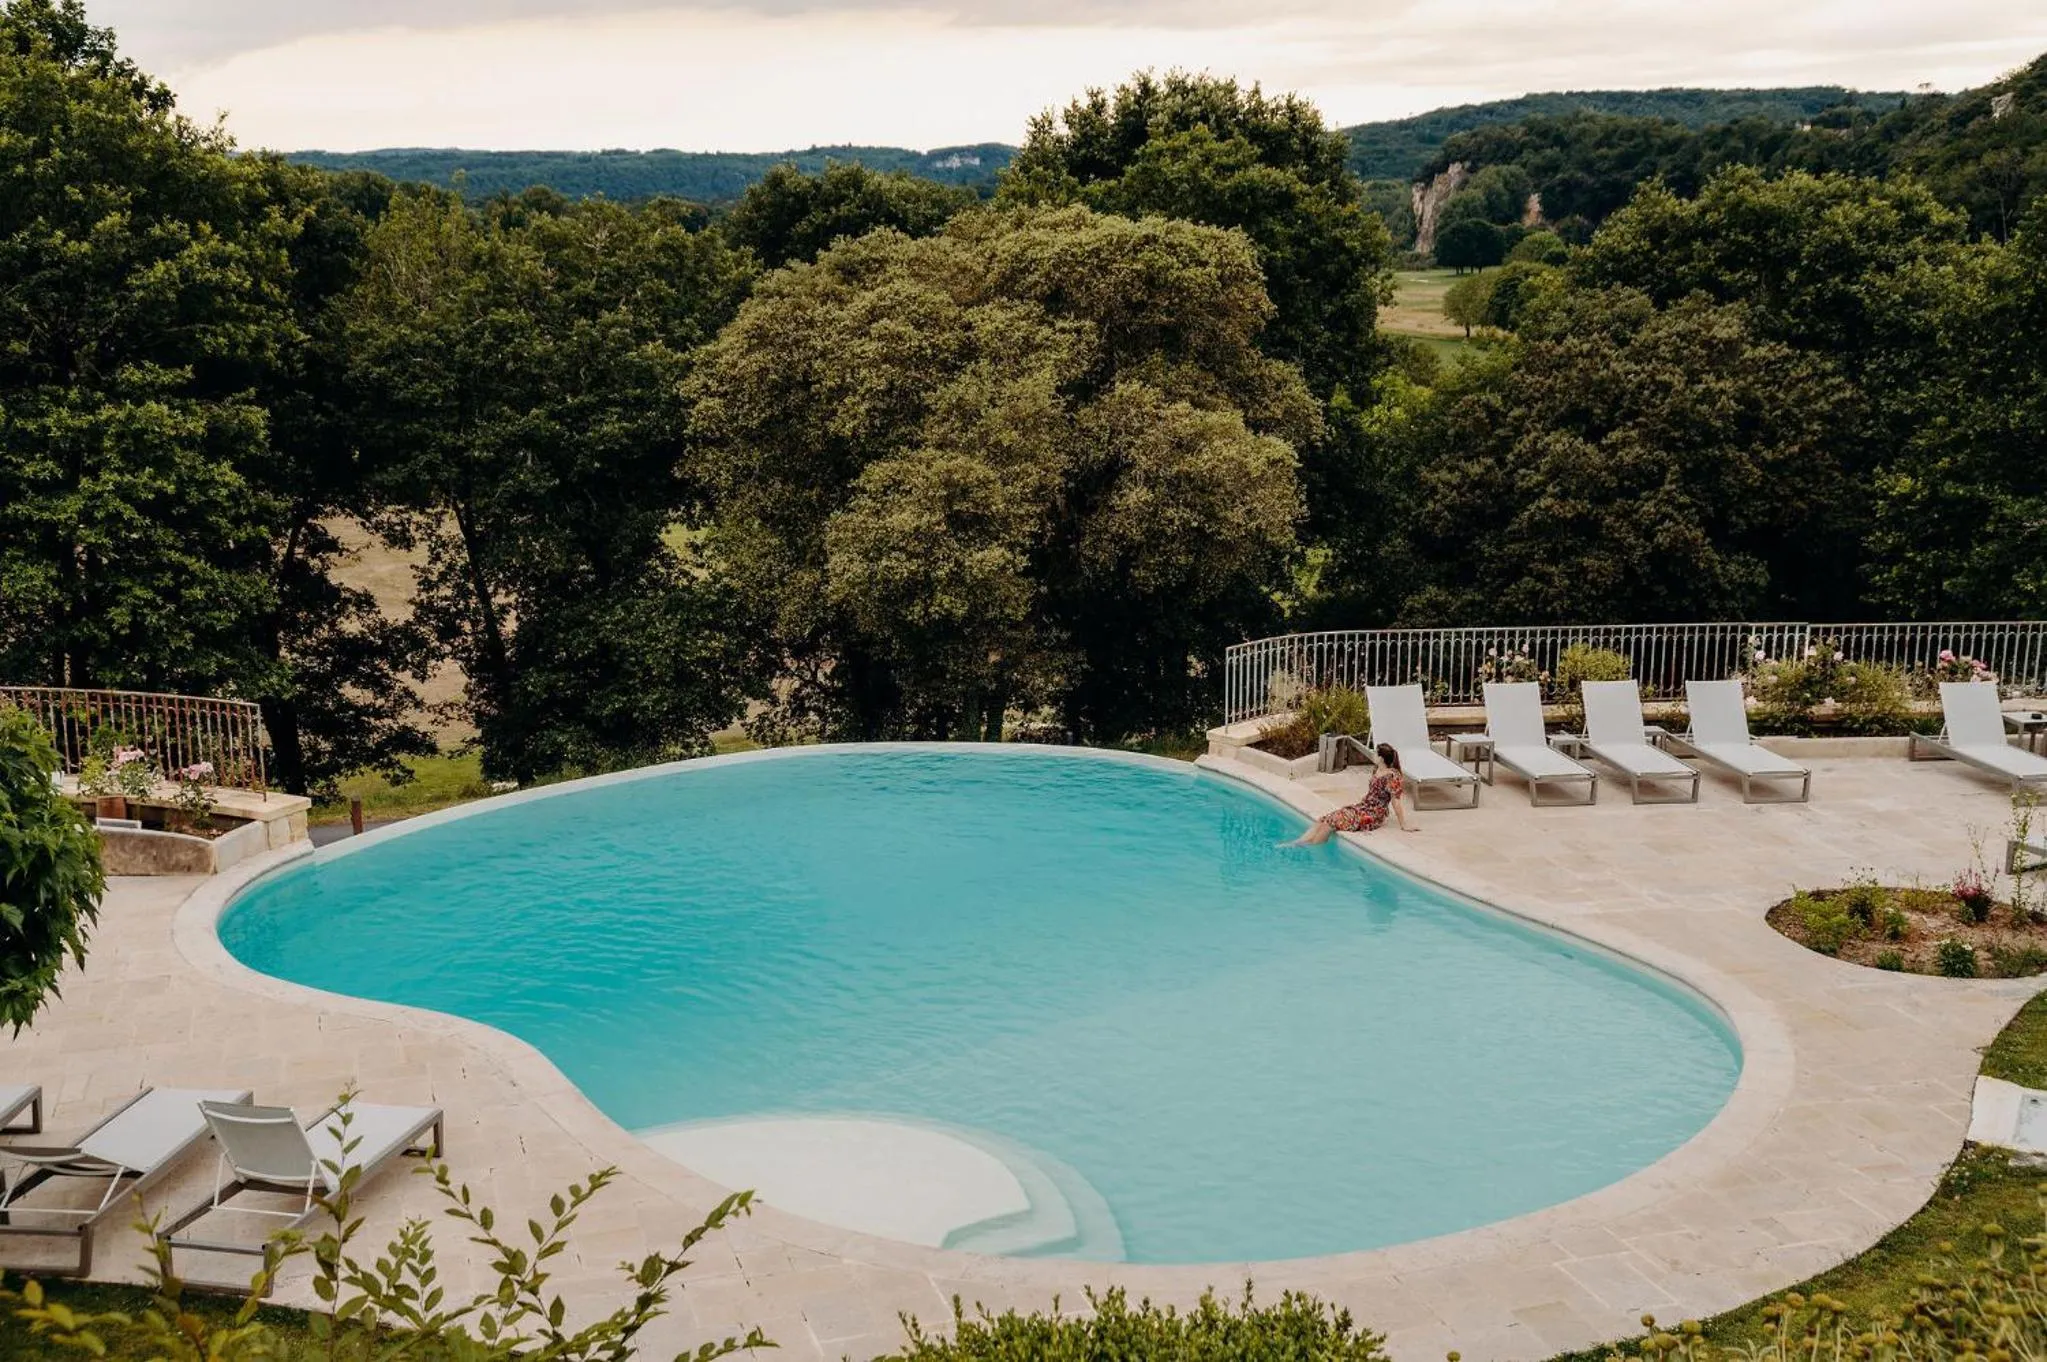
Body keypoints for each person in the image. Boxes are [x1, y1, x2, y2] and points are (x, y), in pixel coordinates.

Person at [1284, 743, 1417, 845]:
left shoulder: (1392, 776)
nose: (1373, 755)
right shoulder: (1377, 769)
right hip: (1363, 807)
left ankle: (1312, 847)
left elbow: (1396, 801)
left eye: (1375, 753)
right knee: (1324, 819)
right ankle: (1298, 843)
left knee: (1330, 823)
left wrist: (1403, 824)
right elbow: (1373, 793)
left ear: (1381, 758)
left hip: (1373, 814)